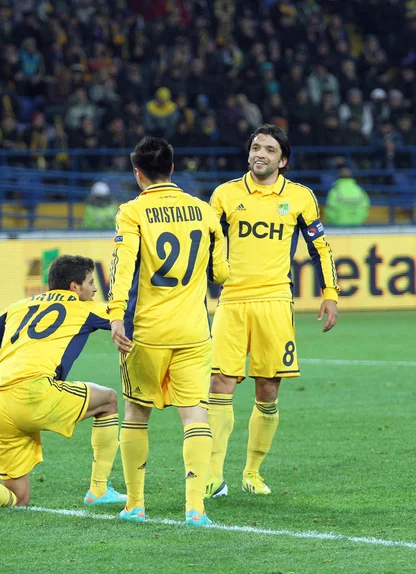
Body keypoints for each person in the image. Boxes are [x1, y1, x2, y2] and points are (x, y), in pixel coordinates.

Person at [0, 255, 126, 514]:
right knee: (108, 400)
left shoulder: (18, 307)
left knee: (17, 497)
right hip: (35, 392)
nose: (95, 289)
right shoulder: (85, 308)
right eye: (90, 282)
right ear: (74, 287)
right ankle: (98, 490)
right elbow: (129, 318)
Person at [205, 124, 339, 499]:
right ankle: (213, 475)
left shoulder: (300, 198)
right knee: (220, 384)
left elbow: (321, 249)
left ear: (283, 160)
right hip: (231, 301)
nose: (259, 154)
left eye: (268, 149)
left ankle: (252, 472)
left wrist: (330, 293)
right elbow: (206, 247)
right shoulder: (224, 195)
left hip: (276, 301)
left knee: (267, 389)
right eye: (255, 148)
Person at [108, 137, 230, 526]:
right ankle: (195, 507)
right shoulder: (203, 210)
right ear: (173, 169)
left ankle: (136, 504)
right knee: (195, 416)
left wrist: (115, 316)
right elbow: (222, 273)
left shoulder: (132, 211)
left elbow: (122, 268)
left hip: (147, 332)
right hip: (195, 331)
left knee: (136, 412)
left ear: (137, 173)